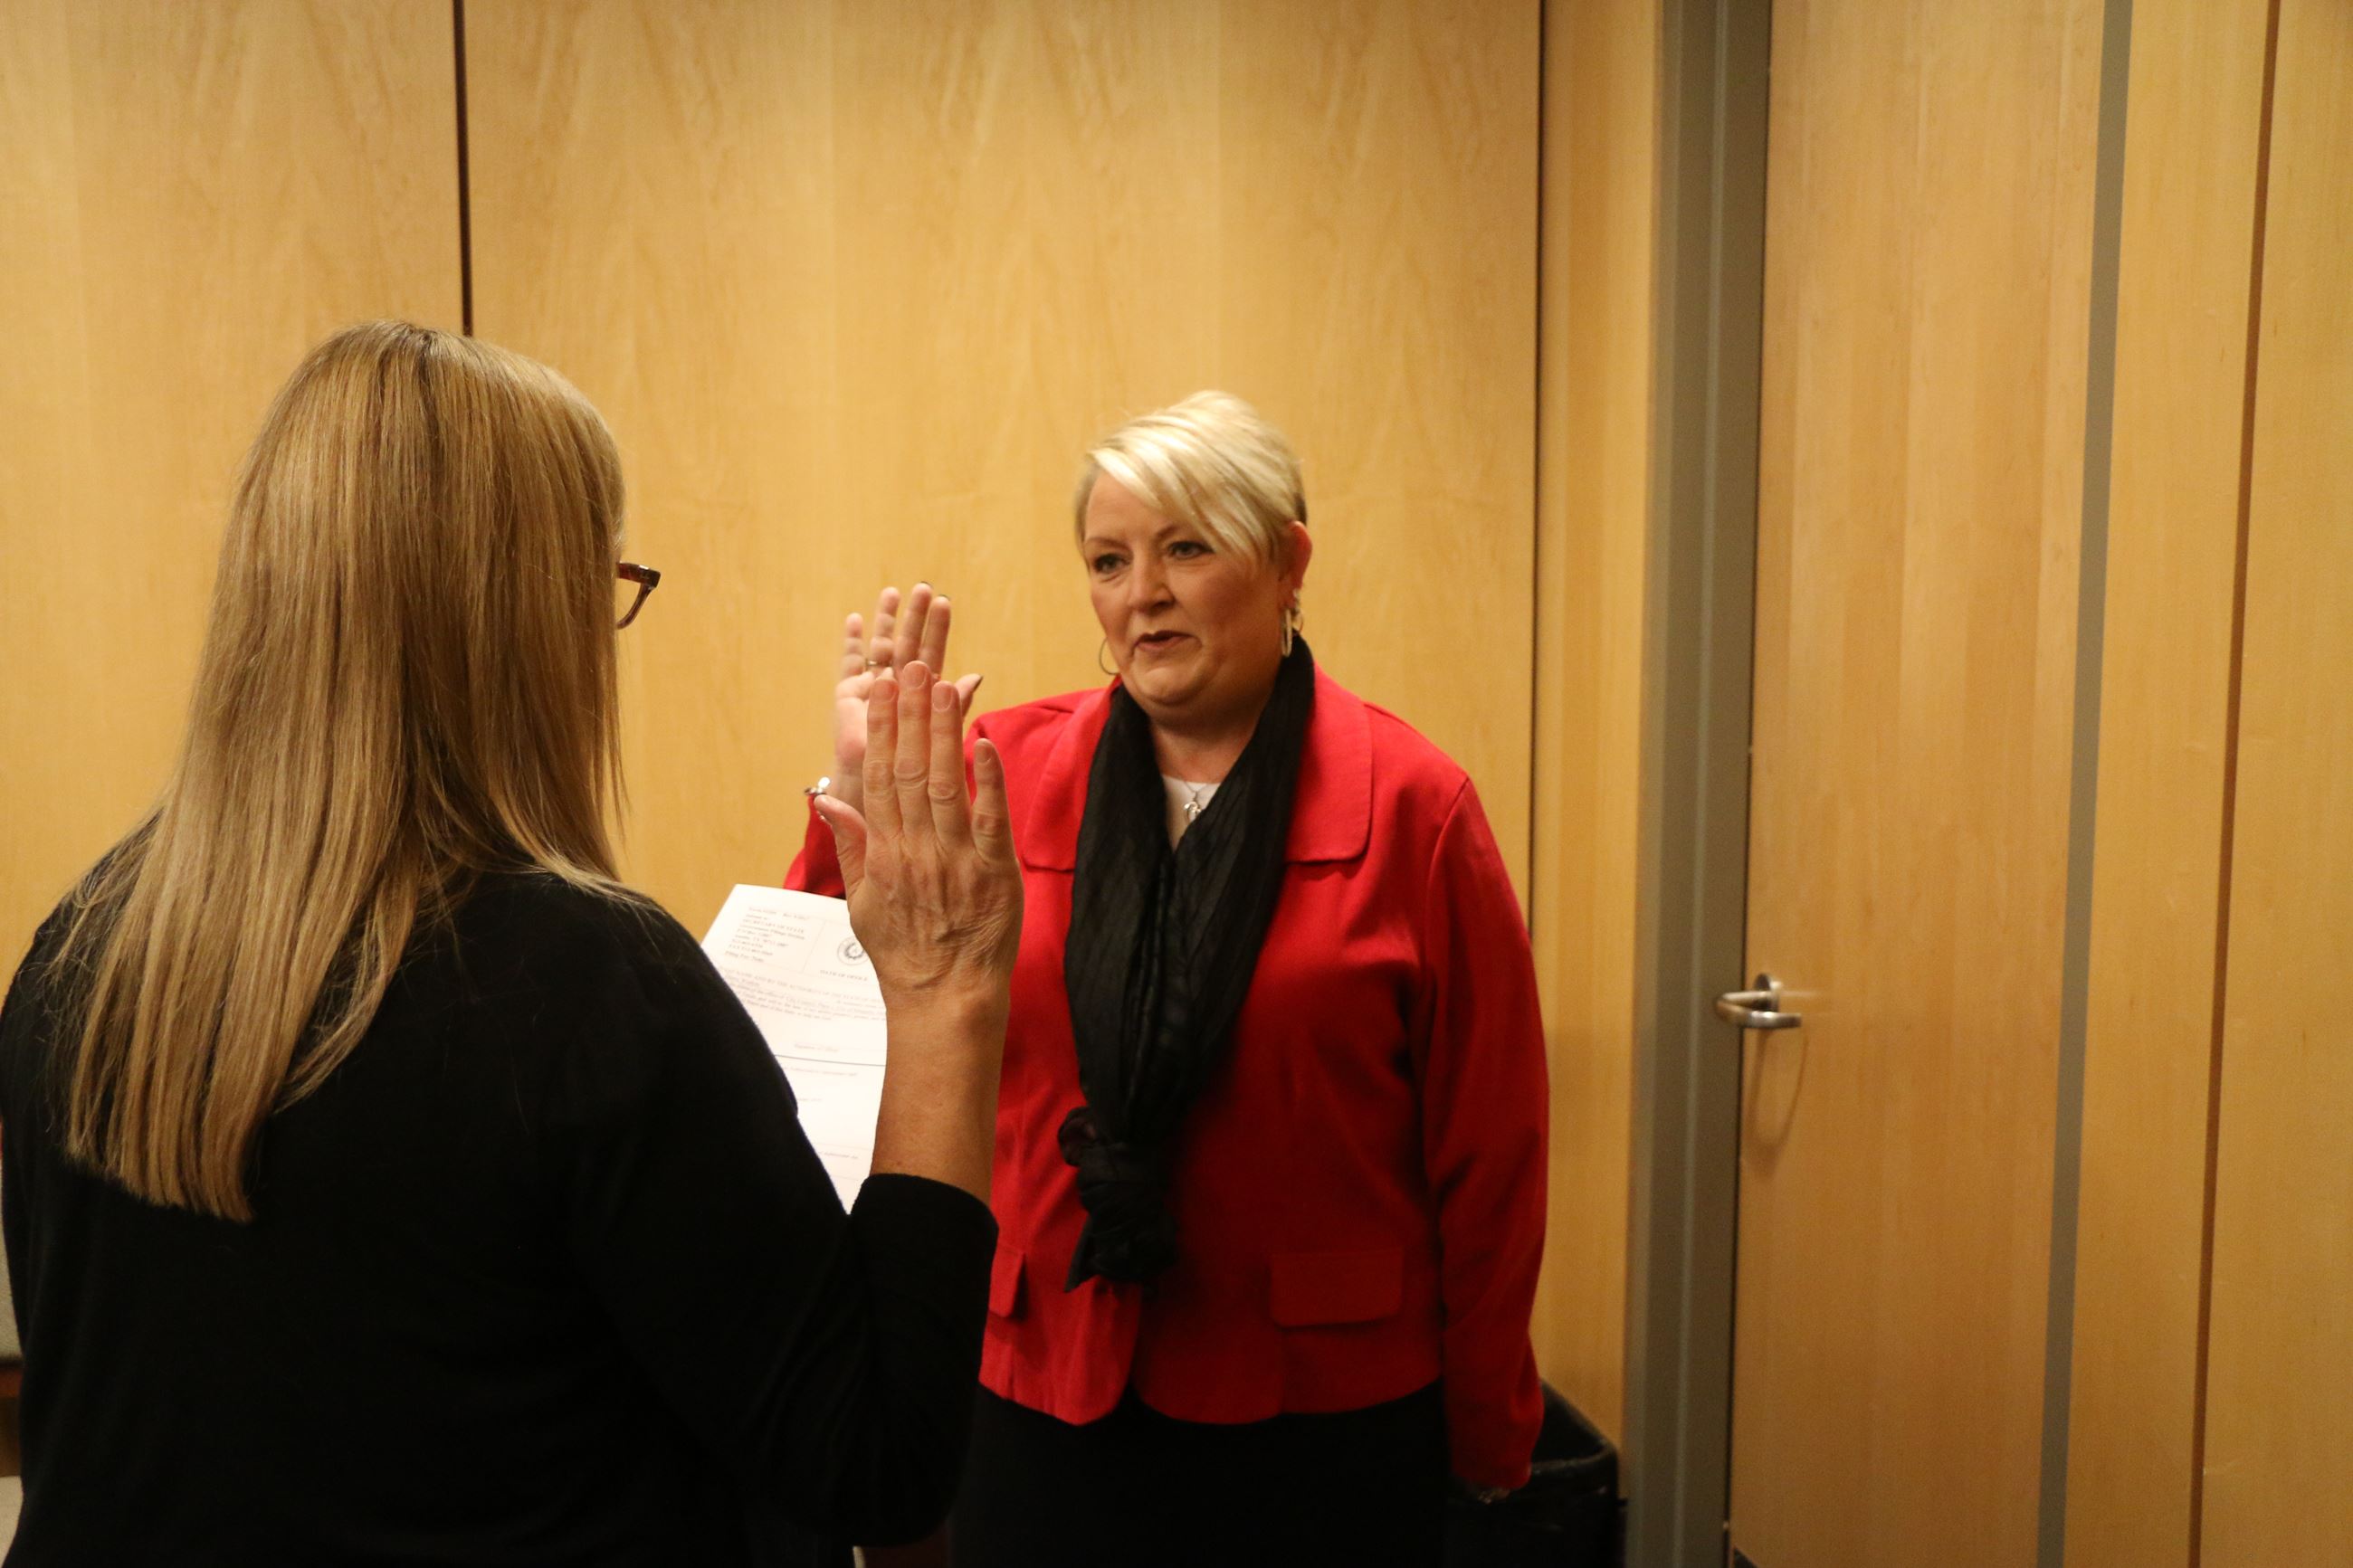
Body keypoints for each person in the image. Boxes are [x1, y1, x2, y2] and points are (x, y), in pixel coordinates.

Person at [0, 321, 1023, 1567]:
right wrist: (942, 987)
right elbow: (879, 1460)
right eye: (604, 585)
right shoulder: (587, 989)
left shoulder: (78, 954)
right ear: (523, 615)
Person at [787, 393, 1550, 1565]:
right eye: (1108, 559)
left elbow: (1491, 1153)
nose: (1140, 591)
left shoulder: (1414, 804)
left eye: (1185, 547)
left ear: (1287, 560)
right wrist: (858, 787)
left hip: (1323, 1405)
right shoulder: (1002, 771)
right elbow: (832, 1000)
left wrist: (1492, 1427)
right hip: (1042, 1383)